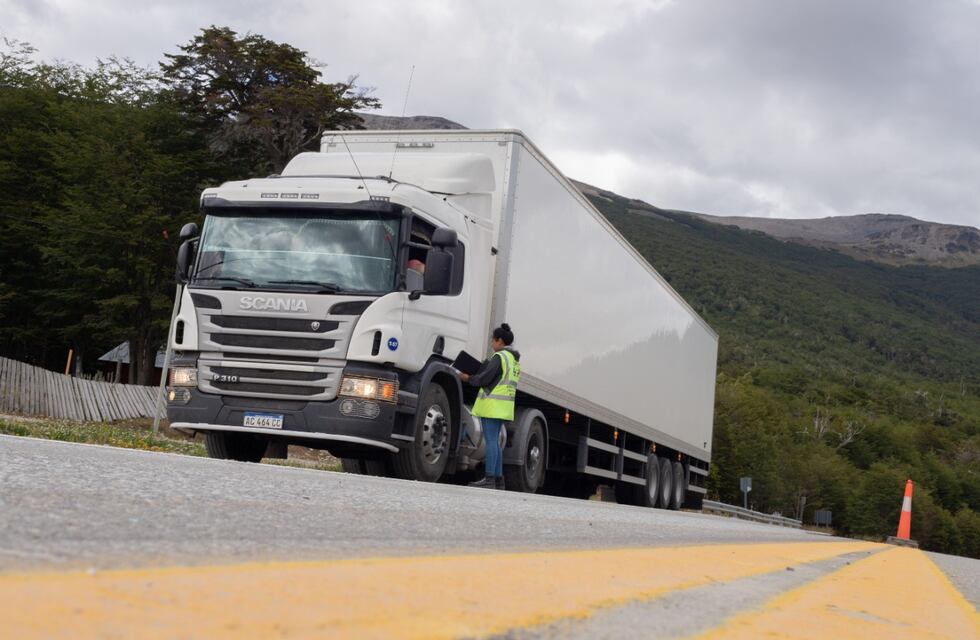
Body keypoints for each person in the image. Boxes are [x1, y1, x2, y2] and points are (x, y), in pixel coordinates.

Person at [459, 323, 521, 490]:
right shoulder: (513, 360)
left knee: (492, 441)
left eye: (492, 340)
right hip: (504, 406)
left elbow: (485, 379)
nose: (491, 344)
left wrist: (468, 378)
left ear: (499, 341)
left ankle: (489, 479)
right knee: (496, 442)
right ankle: (499, 480)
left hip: (492, 405)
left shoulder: (499, 357)